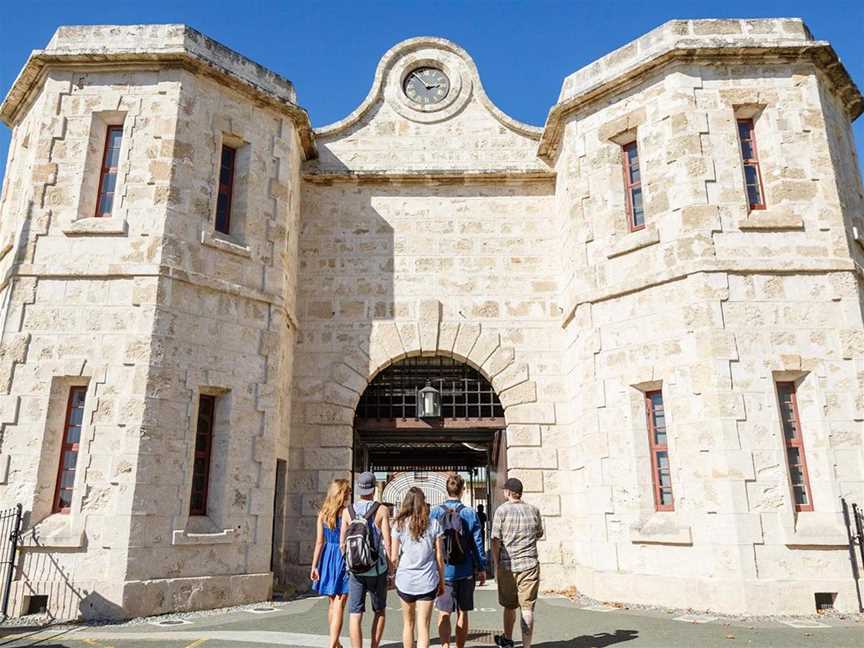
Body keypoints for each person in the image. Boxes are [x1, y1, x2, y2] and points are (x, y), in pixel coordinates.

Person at [430, 473, 488, 648]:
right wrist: (482, 567)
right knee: (463, 612)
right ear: (462, 490)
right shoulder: (470, 513)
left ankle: (445, 645)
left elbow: (430, 542)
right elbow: (478, 542)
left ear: (446, 489)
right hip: (465, 570)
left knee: (443, 612)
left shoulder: (435, 512)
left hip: (443, 571)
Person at [491, 478, 544, 648]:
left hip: (508, 565)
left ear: (508, 492)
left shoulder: (501, 511)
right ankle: (526, 645)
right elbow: (539, 534)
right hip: (529, 564)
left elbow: (495, 539)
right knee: (527, 607)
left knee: (509, 605)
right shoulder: (533, 510)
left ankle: (507, 639)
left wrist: (495, 562)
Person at [341, 471, 391, 648]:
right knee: (379, 610)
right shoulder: (382, 510)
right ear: (374, 489)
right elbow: (388, 543)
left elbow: (342, 544)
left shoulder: (348, 512)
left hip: (355, 570)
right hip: (377, 569)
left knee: (355, 614)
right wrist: (391, 569)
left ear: (359, 489)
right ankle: (374, 646)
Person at [390, 487, 444, 648]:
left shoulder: (398, 524)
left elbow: (393, 557)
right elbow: (440, 557)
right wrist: (441, 581)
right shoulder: (433, 524)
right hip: (427, 580)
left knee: (408, 624)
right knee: (424, 627)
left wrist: (396, 573)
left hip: (405, 580)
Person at [310, 479, 351, 648]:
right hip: (342, 555)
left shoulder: (323, 514)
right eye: (347, 493)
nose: (349, 495)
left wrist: (314, 565)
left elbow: (319, 542)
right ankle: (333, 643)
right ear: (342, 494)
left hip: (327, 556)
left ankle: (336, 642)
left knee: (332, 602)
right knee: (340, 601)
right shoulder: (348, 513)